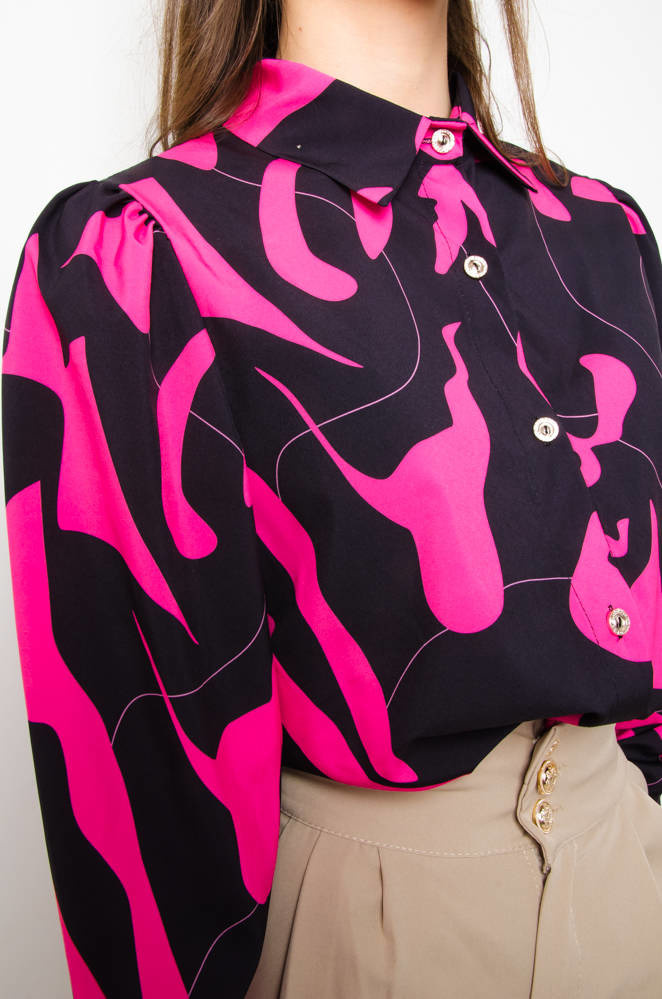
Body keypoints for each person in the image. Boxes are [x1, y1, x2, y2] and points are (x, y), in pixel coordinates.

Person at [3, 0, 662, 995]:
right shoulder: (143, 247)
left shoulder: (604, 232)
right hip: (376, 938)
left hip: (631, 883)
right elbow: (146, 791)